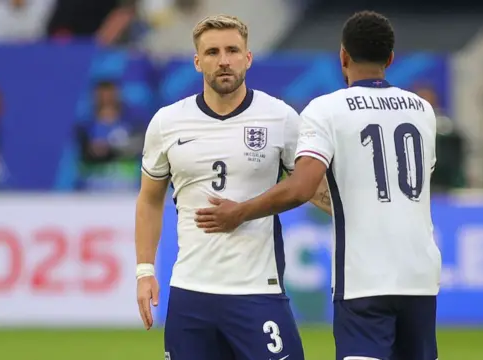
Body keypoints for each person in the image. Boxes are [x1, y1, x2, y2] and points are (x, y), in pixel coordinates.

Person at [197, 11, 441, 360]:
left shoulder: (327, 109)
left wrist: (241, 212)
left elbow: (300, 187)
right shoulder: (422, 110)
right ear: (390, 58)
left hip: (365, 279)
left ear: (343, 56)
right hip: (420, 276)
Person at [134, 14, 331, 360]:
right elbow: (150, 200)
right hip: (191, 292)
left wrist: (360, 214)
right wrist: (145, 271)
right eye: (211, 52)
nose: (223, 60)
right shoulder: (167, 123)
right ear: (197, 62)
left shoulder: (281, 117)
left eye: (232, 50)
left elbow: (311, 188)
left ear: (248, 57)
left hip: (258, 291)